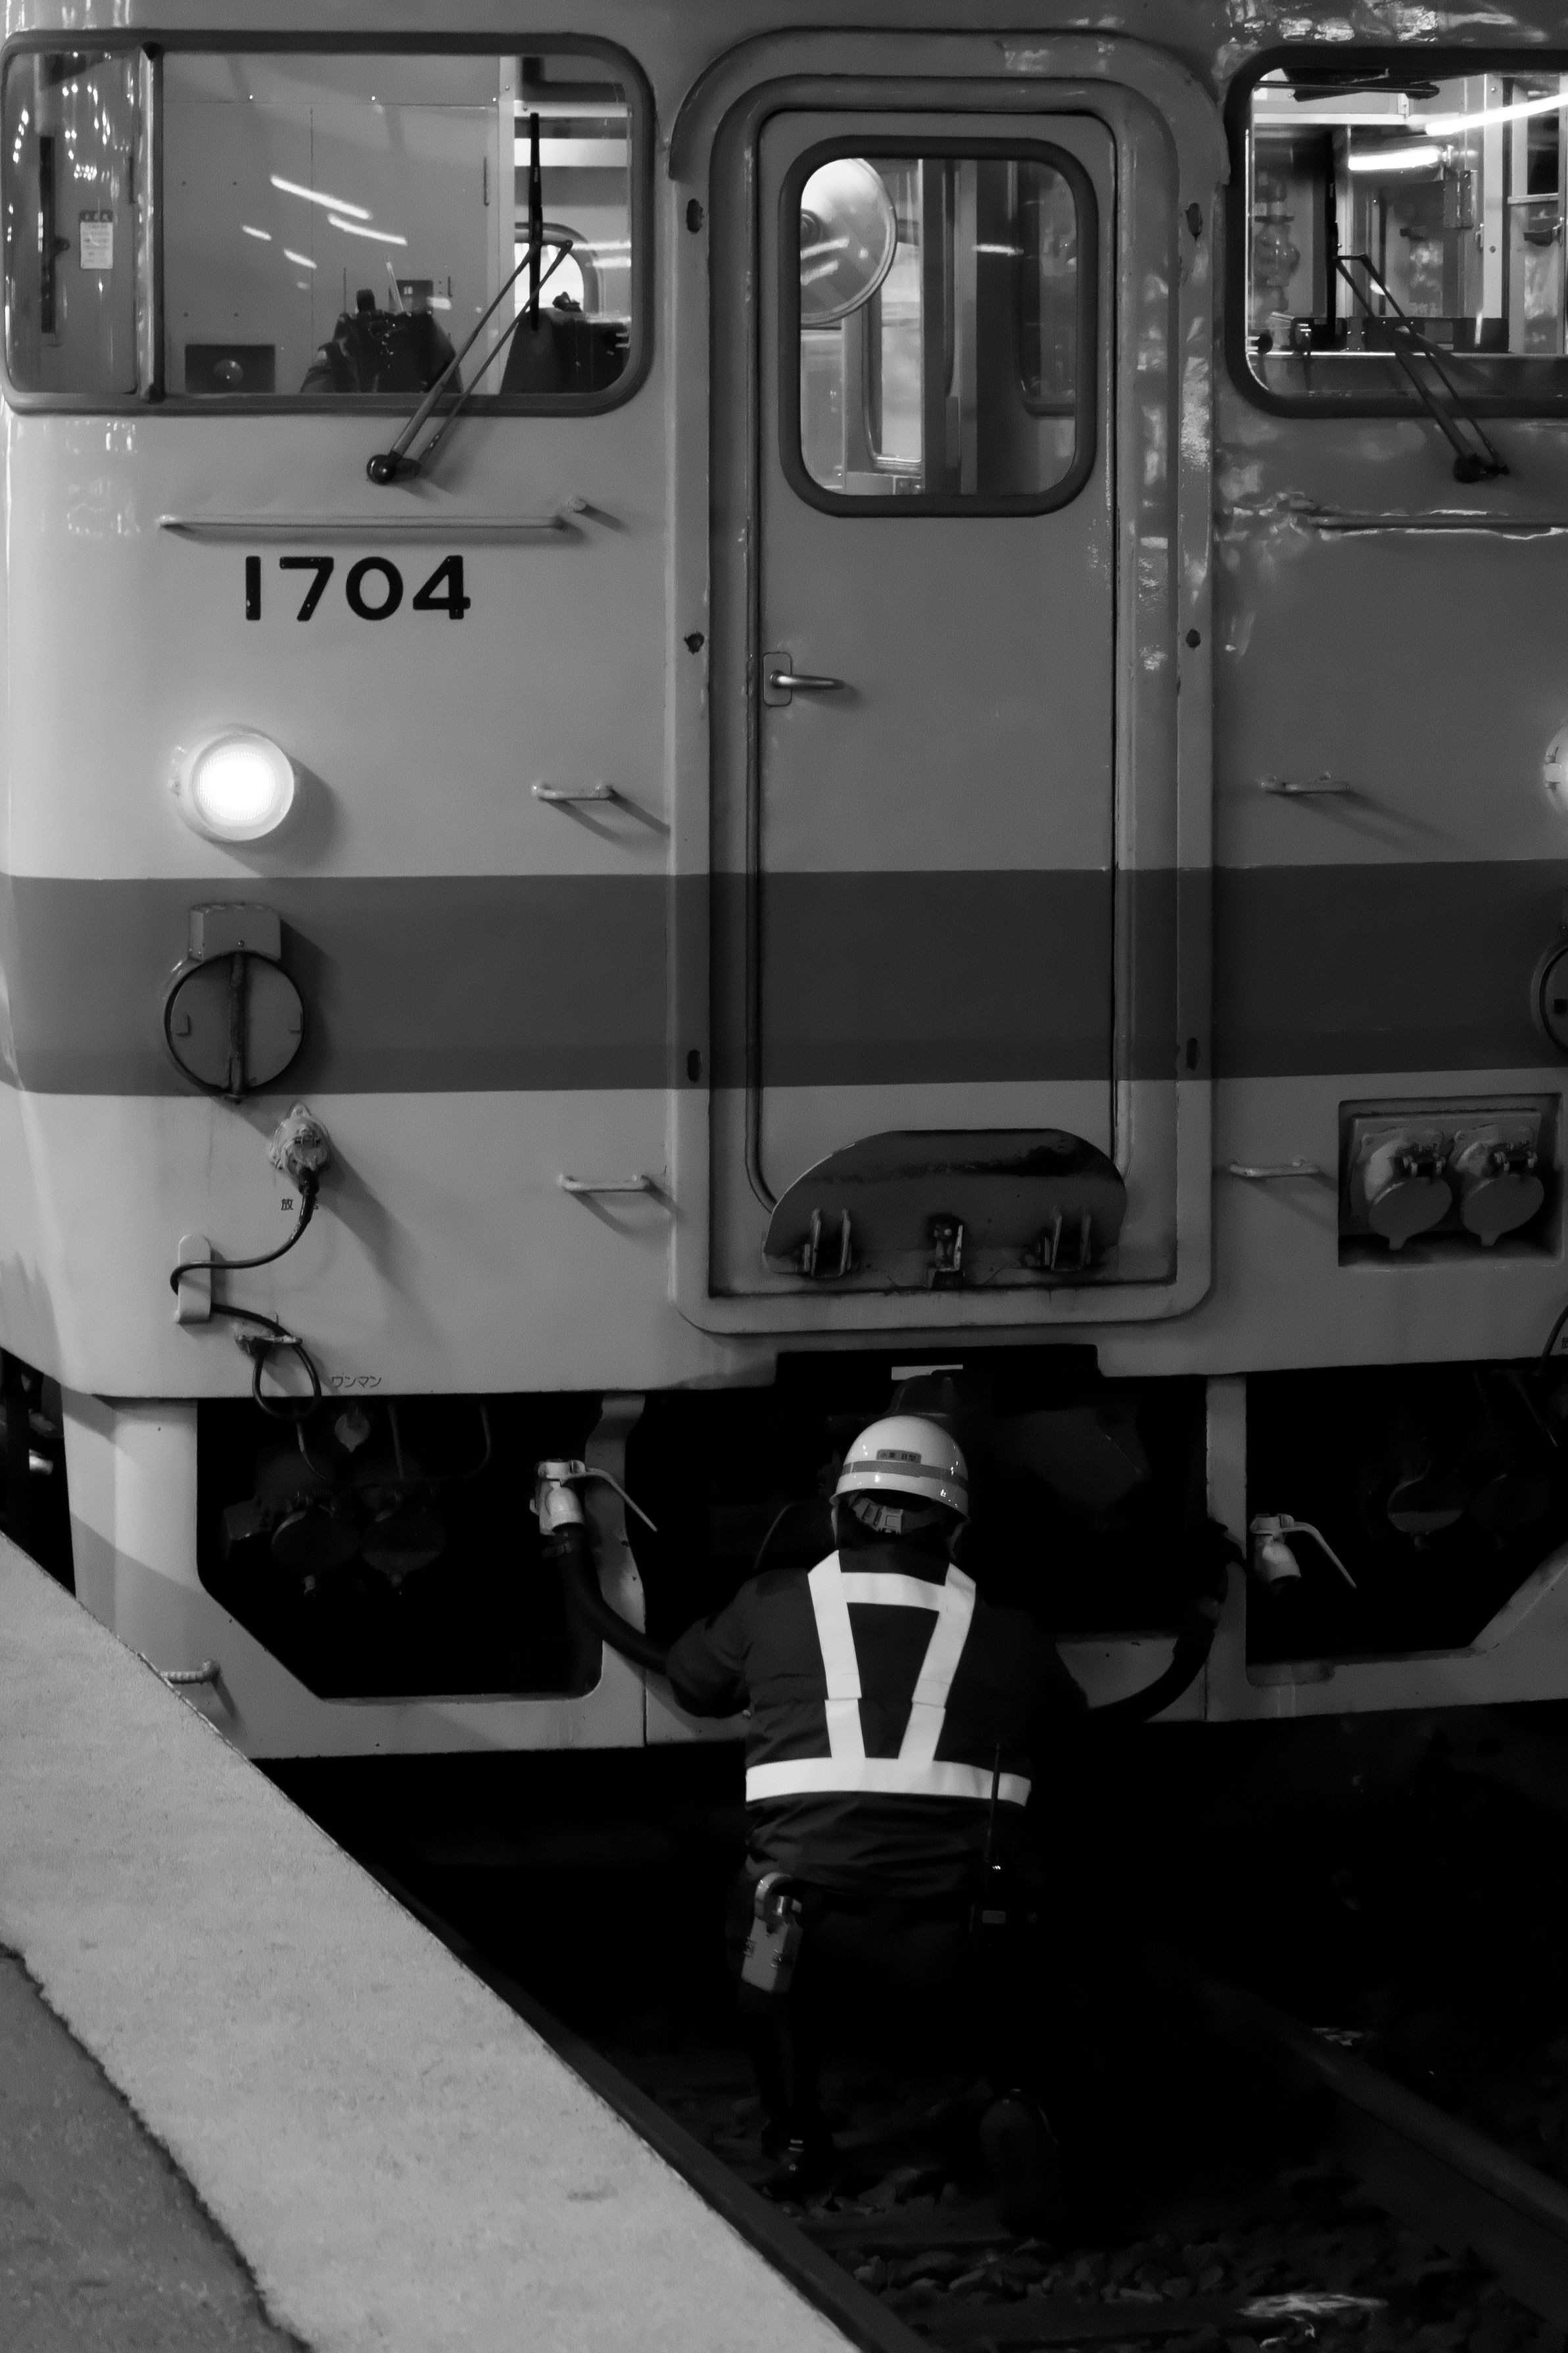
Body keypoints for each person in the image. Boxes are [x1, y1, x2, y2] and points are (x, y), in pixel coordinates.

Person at [662, 1414, 1087, 2218]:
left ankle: (796, 2131)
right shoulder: (1009, 1630)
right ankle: (1016, 2096)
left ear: (837, 1515)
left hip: (805, 1933)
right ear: (956, 1530)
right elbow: (1066, 1728)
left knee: (759, 1916)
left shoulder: (770, 1604)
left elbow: (690, 1679)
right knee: (1039, 1930)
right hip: (964, 1939)